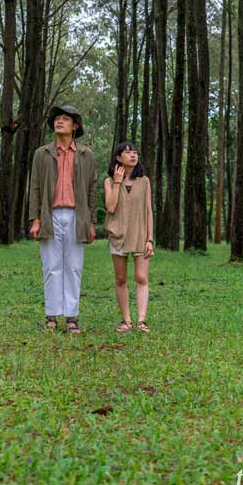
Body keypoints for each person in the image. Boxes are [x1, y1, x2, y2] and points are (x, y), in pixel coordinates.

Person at [29, 104, 97, 333]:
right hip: (50, 215)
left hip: (77, 216)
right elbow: (35, 186)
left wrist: (91, 222)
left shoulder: (86, 154)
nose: (59, 121)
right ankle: (51, 316)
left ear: (75, 126)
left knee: (74, 267)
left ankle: (71, 317)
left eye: (66, 119)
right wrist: (35, 219)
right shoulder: (42, 153)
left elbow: (92, 188)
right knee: (51, 267)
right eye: (57, 118)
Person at [104, 142, 154, 332]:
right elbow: (110, 207)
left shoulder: (144, 181)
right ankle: (127, 321)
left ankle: (141, 321)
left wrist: (150, 239)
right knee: (121, 279)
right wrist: (117, 182)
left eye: (135, 152)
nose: (133, 155)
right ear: (119, 158)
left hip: (140, 234)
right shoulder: (109, 181)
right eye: (128, 152)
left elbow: (149, 211)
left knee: (141, 277)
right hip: (118, 234)